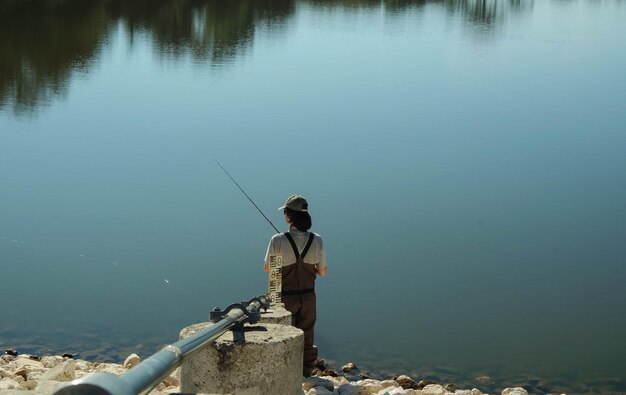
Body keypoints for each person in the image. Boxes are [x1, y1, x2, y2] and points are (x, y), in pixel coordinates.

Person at [264, 194, 327, 377]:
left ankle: (284, 374)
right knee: (306, 336)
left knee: (283, 334)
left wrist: (274, 302)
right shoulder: (317, 240)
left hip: (285, 297)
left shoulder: (277, 240)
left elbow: (270, 270)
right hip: (308, 298)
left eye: (285, 212)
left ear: (289, 216)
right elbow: (323, 272)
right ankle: (306, 372)